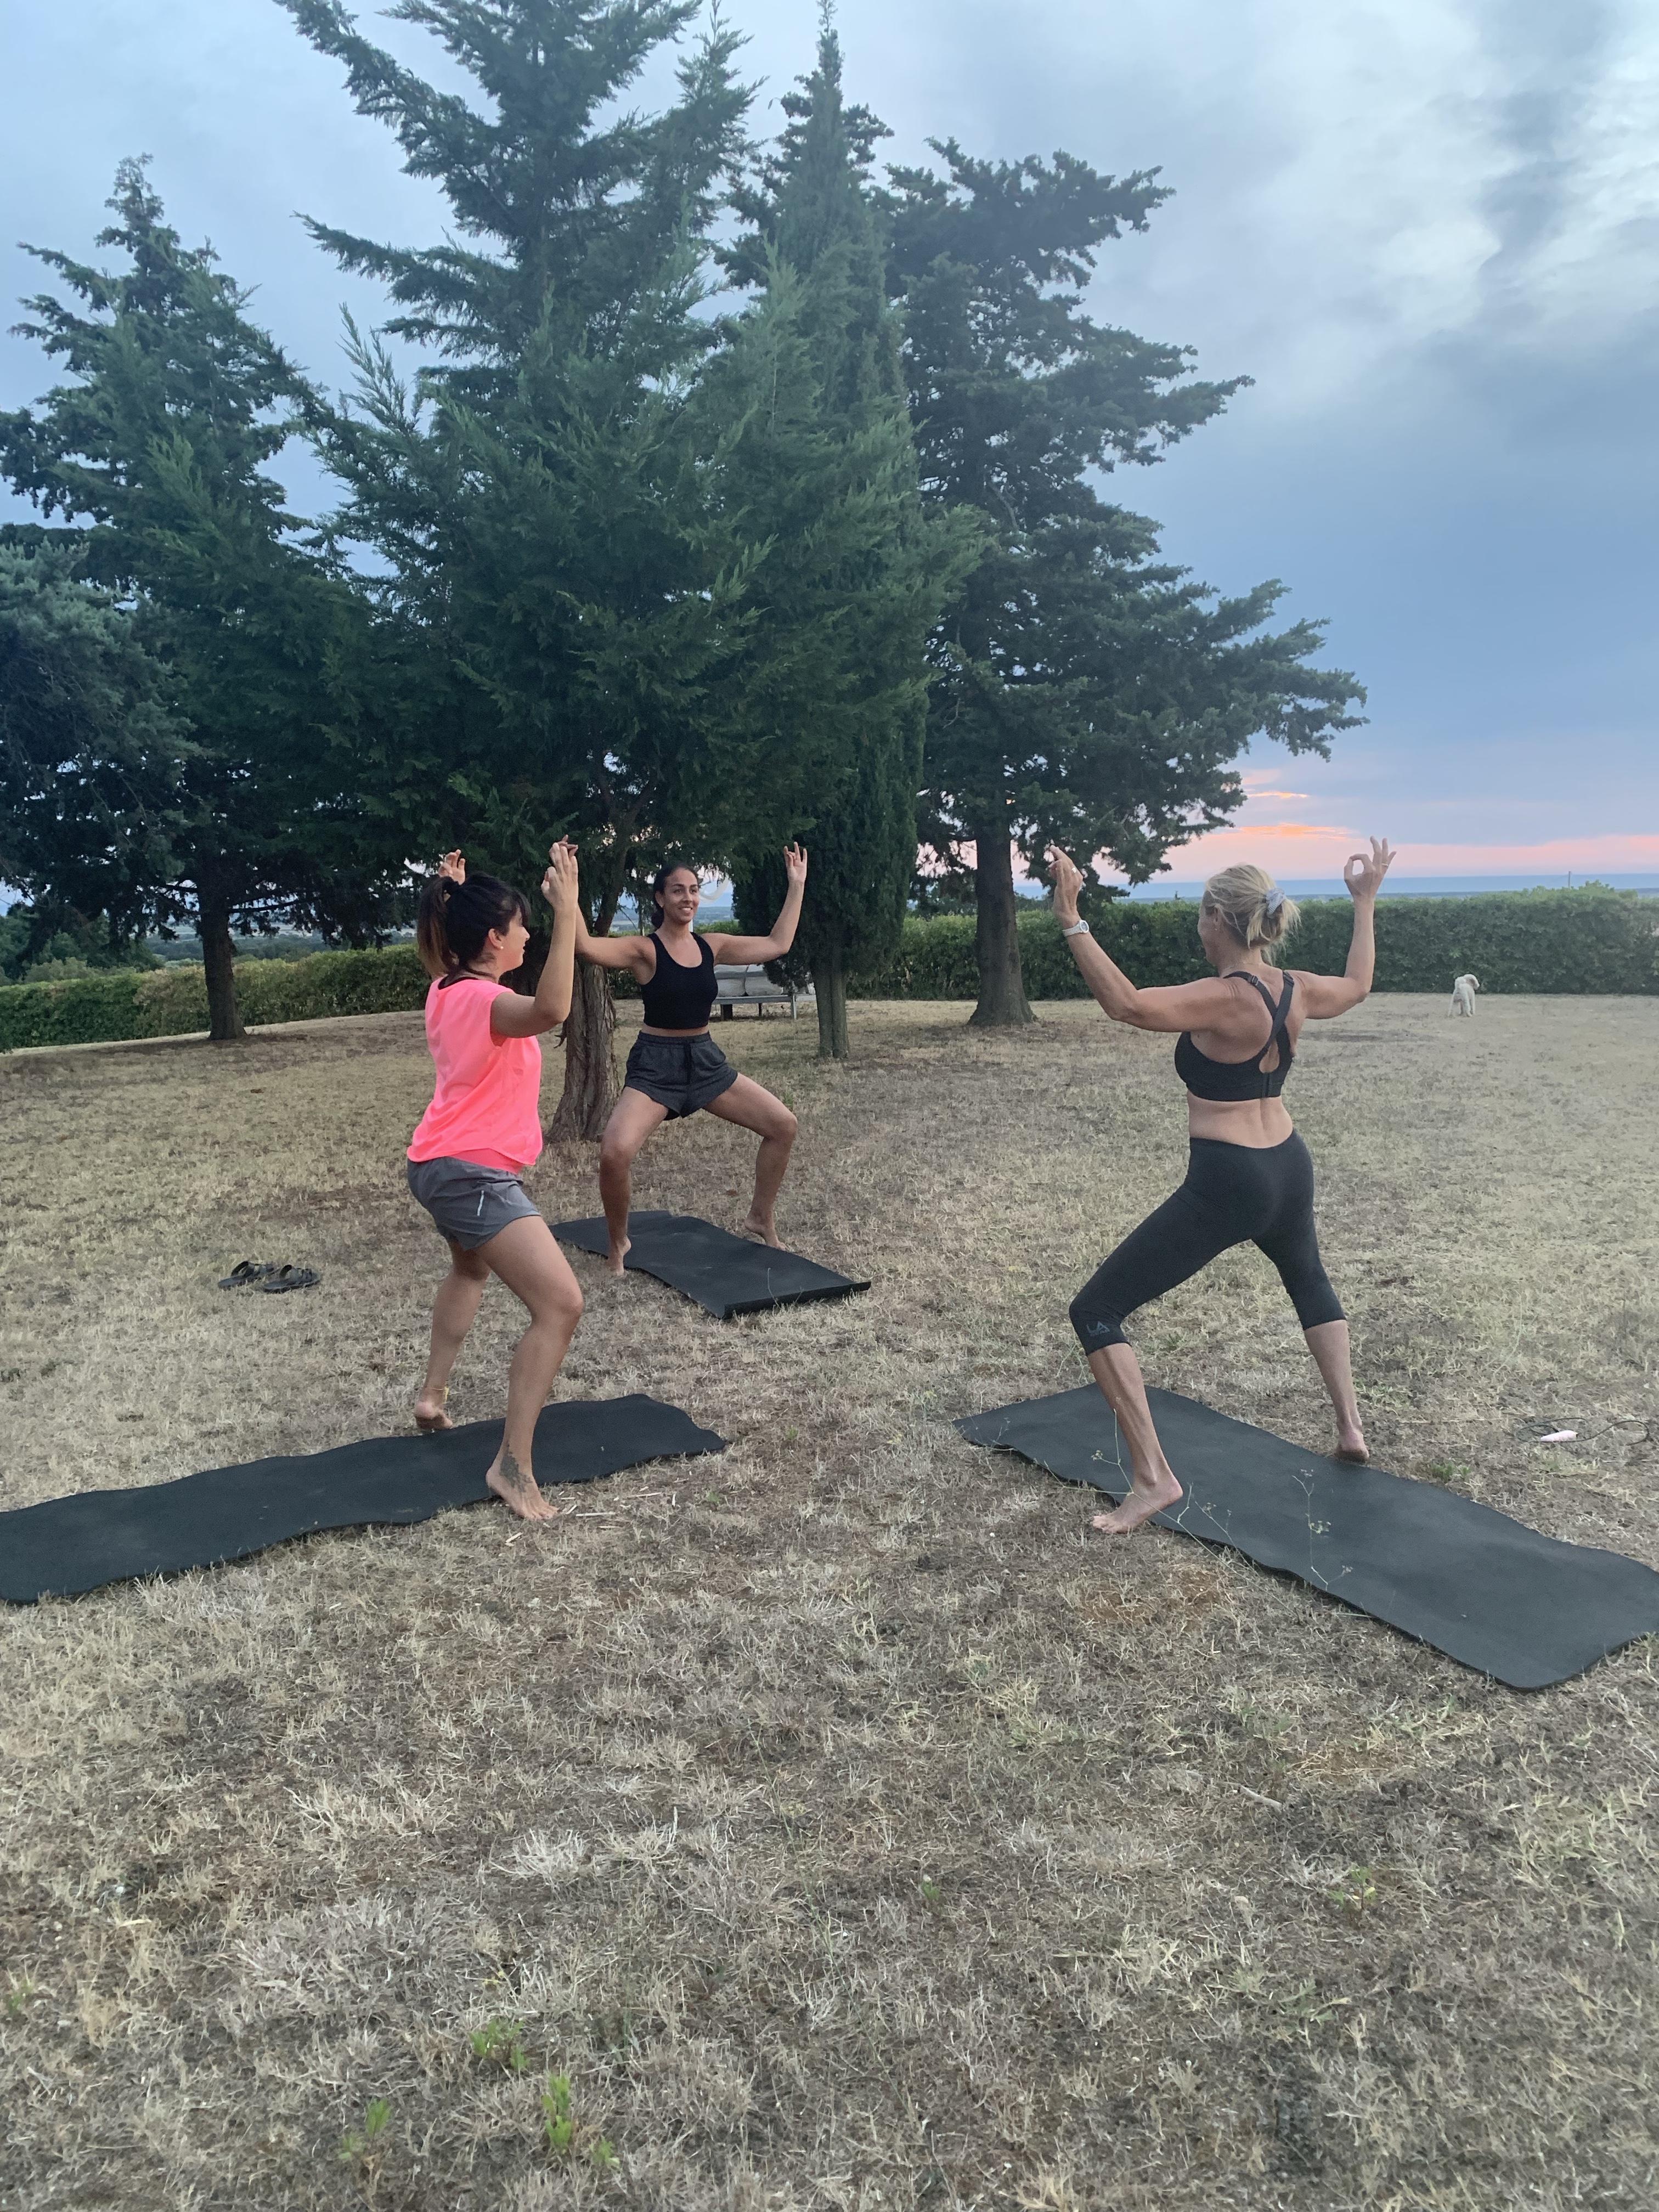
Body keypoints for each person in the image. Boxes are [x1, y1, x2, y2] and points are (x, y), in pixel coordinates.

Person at [1048, 837, 1396, 1536]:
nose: (1197, 928)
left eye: (1200, 916)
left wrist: (1071, 917)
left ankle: (1154, 1479)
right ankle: (1351, 1428)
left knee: (1096, 1310)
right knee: (1309, 1281)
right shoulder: (1295, 988)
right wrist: (1365, 903)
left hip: (1230, 1179)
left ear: (1217, 918)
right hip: (1288, 1166)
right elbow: (1357, 986)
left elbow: (1128, 1005)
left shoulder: (1224, 997)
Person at [405, 840, 586, 1523]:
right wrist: (566, 912)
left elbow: (447, 956)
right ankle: (512, 1467)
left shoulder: (445, 988)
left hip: (437, 1164)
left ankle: (432, 1397)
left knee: (470, 1271)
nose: (528, 936)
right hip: (471, 1173)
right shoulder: (487, 1000)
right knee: (561, 1304)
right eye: (521, 927)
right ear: (492, 939)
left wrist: (447, 892)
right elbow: (553, 1009)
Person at [574, 848, 809, 1272]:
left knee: (783, 1126)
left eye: (695, 890)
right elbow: (586, 946)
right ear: (661, 898)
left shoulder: (712, 946)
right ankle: (618, 1241)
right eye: (678, 890)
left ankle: (760, 1217)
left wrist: (797, 885)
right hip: (655, 1065)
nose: (688, 898)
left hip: (704, 1062)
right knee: (614, 1152)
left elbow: (778, 944)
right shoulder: (644, 950)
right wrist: (569, 892)